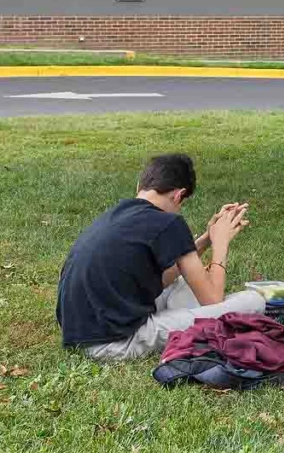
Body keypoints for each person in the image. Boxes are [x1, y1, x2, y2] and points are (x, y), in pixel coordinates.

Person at [56, 153, 266, 362]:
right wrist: (221, 244)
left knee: (185, 282)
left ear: (140, 185)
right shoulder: (169, 222)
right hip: (115, 343)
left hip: (80, 330)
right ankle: (186, 319)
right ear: (178, 195)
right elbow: (212, 299)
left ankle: (182, 317)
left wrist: (205, 240)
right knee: (253, 301)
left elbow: (164, 277)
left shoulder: (117, 215)